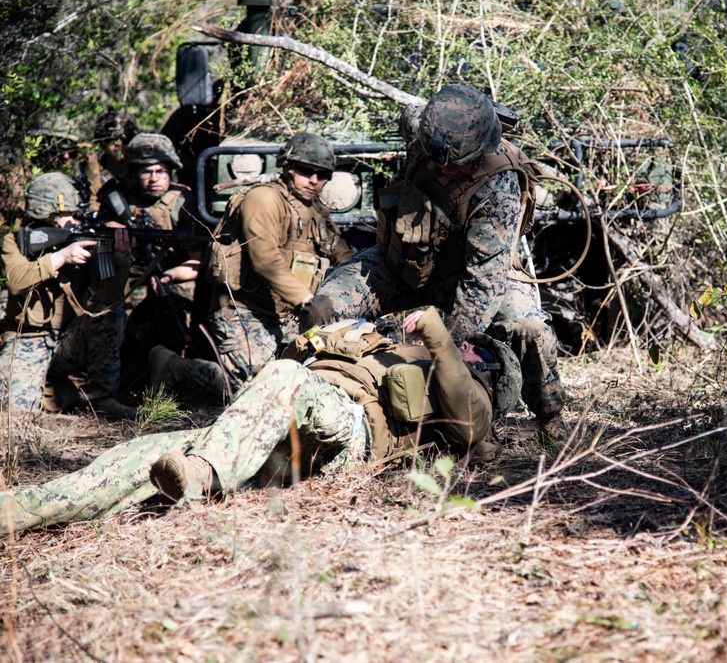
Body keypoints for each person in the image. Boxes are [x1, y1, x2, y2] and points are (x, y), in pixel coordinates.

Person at [0, 306, 520, 538]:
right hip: (274, 429)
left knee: (285, 376)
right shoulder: (391, 346)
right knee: (140, 455)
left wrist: (443, 339)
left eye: (479, 351)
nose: (468, 345)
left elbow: (472, 429)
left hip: (343, 429)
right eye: (467, 343)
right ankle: (19, 511)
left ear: (488, 371)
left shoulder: (468, 389)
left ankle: (203, 473)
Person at [308, 84, 567, 438]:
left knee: (530, 329)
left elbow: (482, 287)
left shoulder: (498, 189)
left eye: (454, 166)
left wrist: (439, 346)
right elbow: (415, 112)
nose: (441, 170)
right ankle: (299, 391)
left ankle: (551, 418)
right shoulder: (424, 126)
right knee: (325, 305)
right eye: (434, 159)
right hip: (402, 266)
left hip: (469, 279)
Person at [206, 131, 354, 386]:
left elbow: (343, 256)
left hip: (294, 318)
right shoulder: (264, 199)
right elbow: (266, 260)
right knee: (253, 389)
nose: (314, 180)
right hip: (246, 313)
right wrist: (308, 301)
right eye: (306, 171)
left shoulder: (315, 211)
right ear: (287, 167)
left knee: (328, 377)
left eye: (323, 175)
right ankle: (172, 365)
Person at [0, 172, 134, 419]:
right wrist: (61, 257)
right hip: (27, 338)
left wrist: (120, 258)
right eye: (67, 215)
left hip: (69, 341)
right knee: (16, 413)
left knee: (111, 315)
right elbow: (16, 281)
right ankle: (55, 390)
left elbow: (109, 296)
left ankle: (100, 399)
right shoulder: (14, 240)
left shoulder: (88, 237)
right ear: (46, 213)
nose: (74, 221)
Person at [116, 133, 204, 357]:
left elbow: (199, 259)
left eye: (160, 171)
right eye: (146, 171)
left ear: (170, 171)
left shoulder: (184, 202)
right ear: (134, 172)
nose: (153, 178)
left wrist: (172, 275)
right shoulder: (118, 201)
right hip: (126, 282)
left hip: (170, 280)